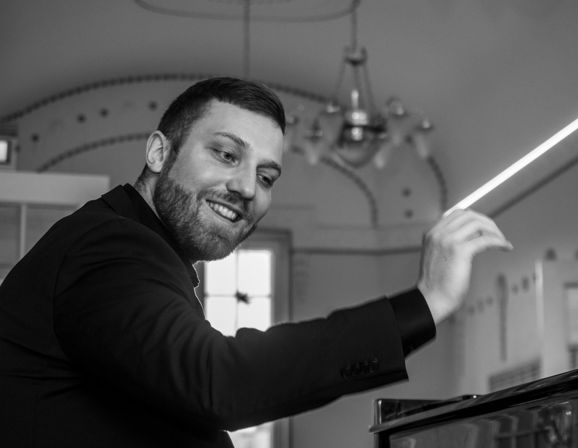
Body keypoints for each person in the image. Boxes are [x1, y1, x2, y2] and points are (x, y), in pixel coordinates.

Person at [0, 77, 512, 448]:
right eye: (226, 154)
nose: (247, 187)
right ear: (158, 152)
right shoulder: (108, 245)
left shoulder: (143, 254)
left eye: (267, 177)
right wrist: (427, 301)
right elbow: (220, 383)